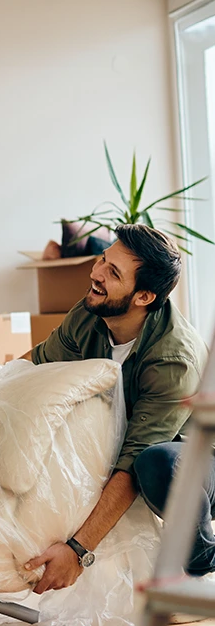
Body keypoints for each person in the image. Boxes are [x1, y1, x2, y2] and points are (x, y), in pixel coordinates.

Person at [21, 223, 214, 593]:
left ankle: (204, 563)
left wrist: (77, 553)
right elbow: (36, 364)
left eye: (113, 272)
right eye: (103, 260)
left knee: (157, 466)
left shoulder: (173, 360)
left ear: (143, 297)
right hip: (146, 447)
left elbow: (133, 459)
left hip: (198, 461)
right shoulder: (91, 312)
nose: (96, 273)